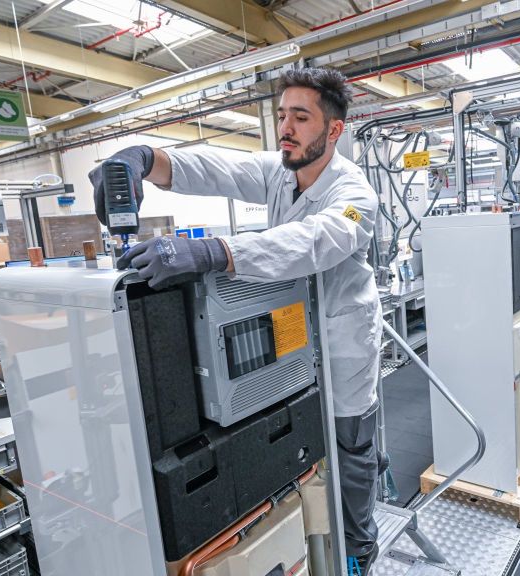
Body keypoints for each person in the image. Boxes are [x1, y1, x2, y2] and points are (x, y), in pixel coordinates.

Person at [90, 68, 383, 575]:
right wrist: (144, 158)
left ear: (333, 130)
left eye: (301, 117)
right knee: (306, 457)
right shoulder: (279, 171)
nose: (285, 128)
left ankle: (359, 553)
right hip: (294, 345)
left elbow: (315, 241)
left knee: (350, 456)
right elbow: (215, 167)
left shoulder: (355, 195)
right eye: (281, 116)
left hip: (343, 350)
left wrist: (212, 250)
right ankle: (315, 546)